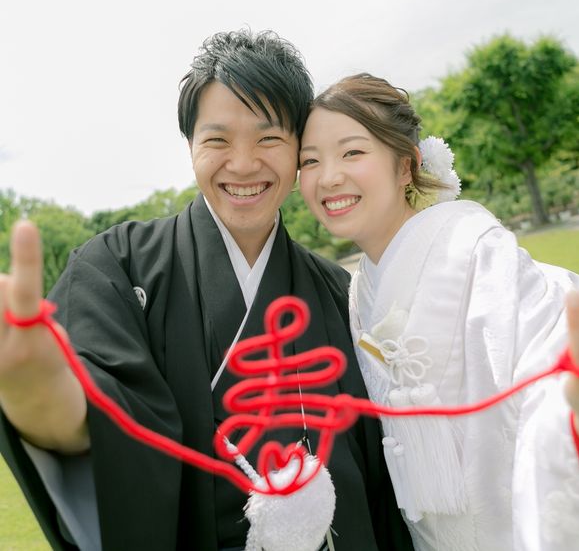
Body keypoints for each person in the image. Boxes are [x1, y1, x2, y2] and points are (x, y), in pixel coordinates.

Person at [0, 36, 413, 550]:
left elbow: (384, 471)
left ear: (298, 151)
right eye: (217, 140)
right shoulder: (116, 266)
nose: (242, 164)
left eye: (268, 138)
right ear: (190, 145)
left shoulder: (338, 290)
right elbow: (95, 412)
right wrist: (36, 392)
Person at [298, 73, 579, 551]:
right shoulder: (358, 290)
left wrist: (566, 404)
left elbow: (541, 360)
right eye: (310, 161)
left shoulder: (474, 251)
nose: (329, 177)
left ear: (405, 166)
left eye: (352, 152)